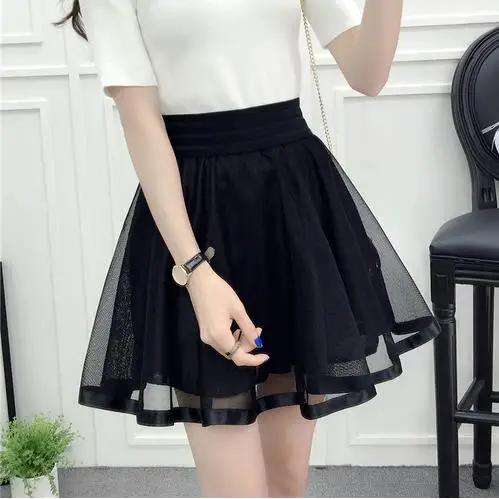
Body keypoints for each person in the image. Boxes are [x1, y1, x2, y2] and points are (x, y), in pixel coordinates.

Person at [58, 1, 440, 497]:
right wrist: (195, 271)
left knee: (286, 481)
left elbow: (368, 74)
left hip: (290, 212)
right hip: (197, 220)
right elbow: (141, 124)